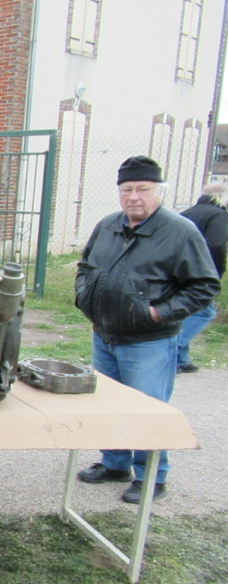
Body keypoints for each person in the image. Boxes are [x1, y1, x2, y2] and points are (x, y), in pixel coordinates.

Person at [75, 156, 219, 503]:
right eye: (127, 189)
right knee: (108, 404)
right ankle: (115, 463)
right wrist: (83, 295)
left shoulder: (180, 232)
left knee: (148, 410)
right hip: (105, 334)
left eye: (143, 189)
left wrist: (157, 314)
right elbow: (85, 265)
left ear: (158, 191)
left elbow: (203, 286)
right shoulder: (108, 225)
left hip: (148, 340)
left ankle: (153, 476)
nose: (134, 196)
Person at [176, 182, 227, 373]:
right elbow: (217, 244)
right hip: (200, 272)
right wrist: (217, 271)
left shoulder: (187, 213)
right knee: (204, 312)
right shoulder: (219, 214)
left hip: (178, 269)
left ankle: (181, 359)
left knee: (185, 311)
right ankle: (173, 350)